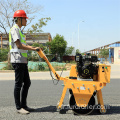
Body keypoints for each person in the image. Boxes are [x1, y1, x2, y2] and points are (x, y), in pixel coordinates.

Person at [9, 10, 40, 114]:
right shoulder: (14, 30)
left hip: (22, 60)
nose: (26, 20)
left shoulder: (20, 31)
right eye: (24, 19)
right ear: (19, 19)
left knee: (27, 82)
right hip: (17, 60)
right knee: (18, 84)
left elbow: (22, 46)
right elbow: (19, 45)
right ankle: (19, 108)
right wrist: (33, 48)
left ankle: (24, 105)